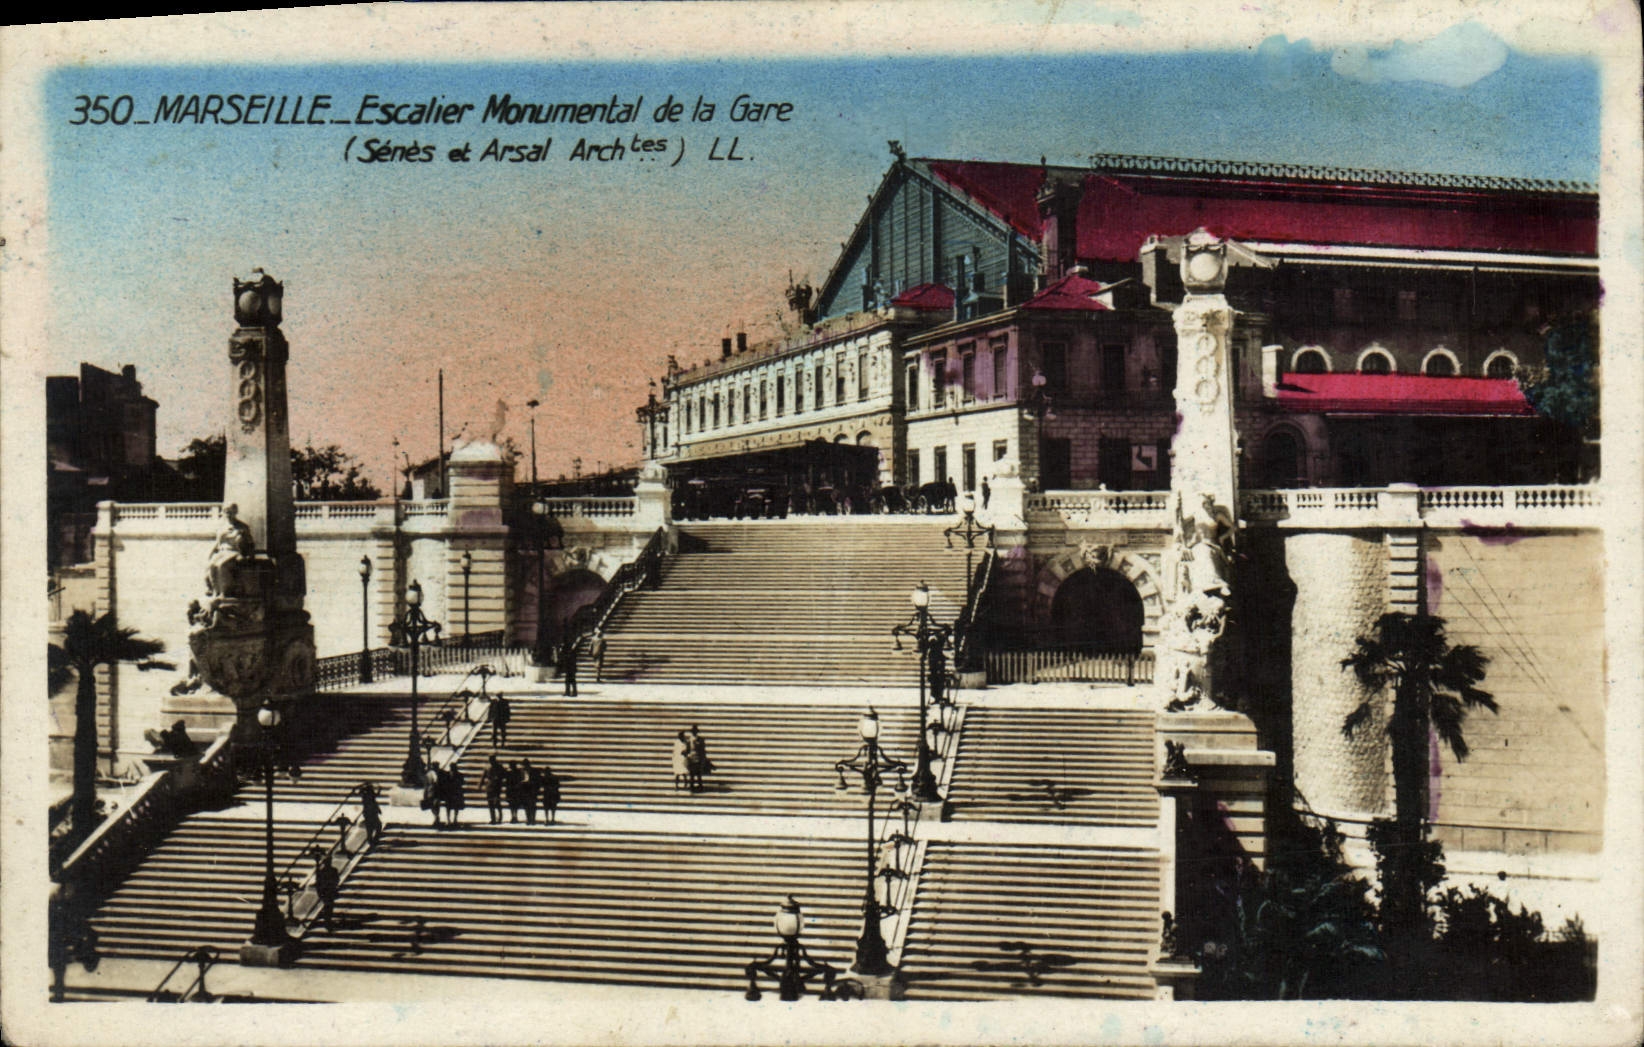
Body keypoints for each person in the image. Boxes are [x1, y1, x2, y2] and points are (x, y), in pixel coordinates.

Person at [313, 849, 340, 932]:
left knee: (329, 906)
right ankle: (327, 922)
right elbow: (318, 882)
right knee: (328, 906)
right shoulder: (322, 871)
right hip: (326, 891)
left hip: (329, 891)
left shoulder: (330, 870)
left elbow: (337, 880)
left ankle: (328, 921)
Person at [481, 755, 506, 825]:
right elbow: (483, 776)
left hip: (497, 786)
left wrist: (499, 778)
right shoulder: (487, 767)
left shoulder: (499, 767)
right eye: (490, 760)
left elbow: (504, 774)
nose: (491, 761)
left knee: (497, 802)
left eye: (492, 760)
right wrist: (480, 784)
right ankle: (493, 819)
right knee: (490, 803)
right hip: (489, 787)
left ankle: (500, 817)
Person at [688, 725, 714, 792]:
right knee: (692, 774)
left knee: (698, 773)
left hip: (698, 757)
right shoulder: (689, 739)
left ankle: (700, 787)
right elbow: (687, 749)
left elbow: (703, 749)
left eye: (695, 732)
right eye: (693, 732)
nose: (694, 733)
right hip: (691, 758)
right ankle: (692, 787)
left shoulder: (700, 739)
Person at [518, 758, 540, 824]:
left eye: (526, 765)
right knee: (526, 805)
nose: (525, 766)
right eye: (524, 765)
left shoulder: (534, 771)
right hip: (524, 790)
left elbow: (537, 781)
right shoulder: (521, 771)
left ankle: (533, 819)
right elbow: (518, 780)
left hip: (532, 790)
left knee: (533, 805)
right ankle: (528, 819)